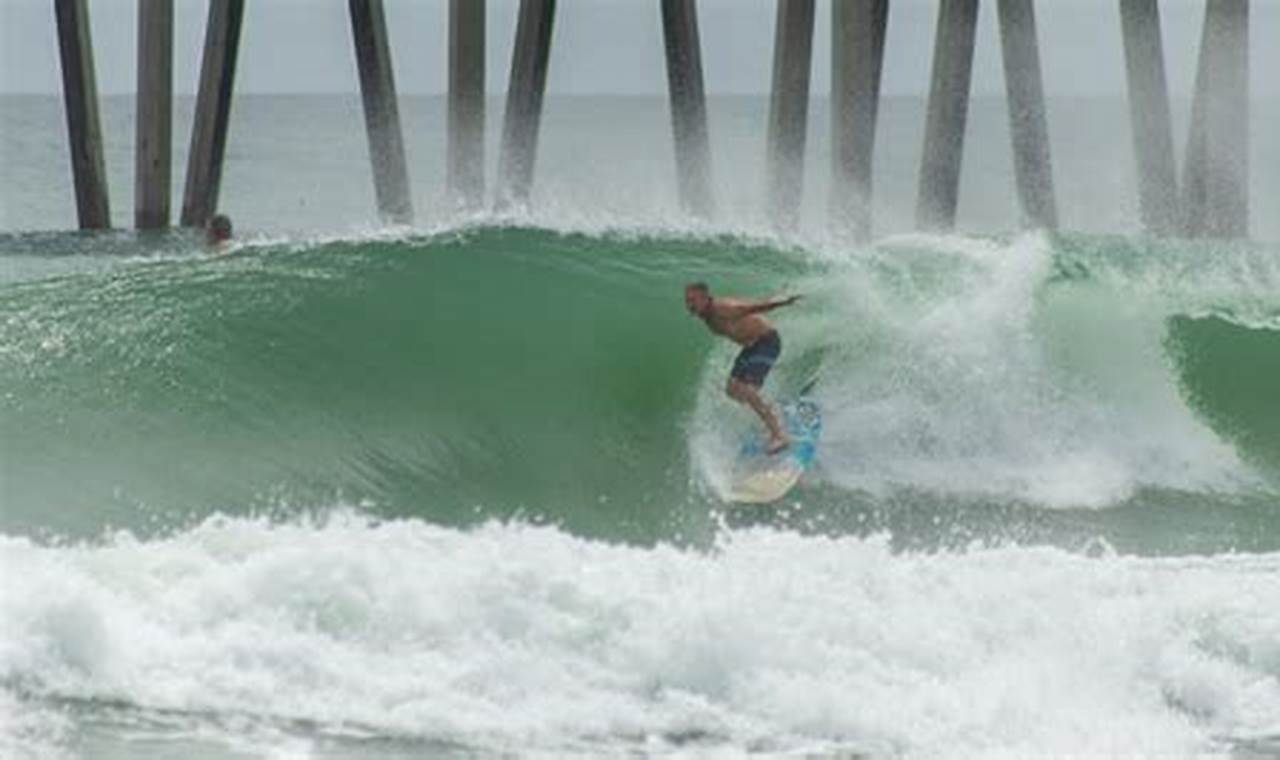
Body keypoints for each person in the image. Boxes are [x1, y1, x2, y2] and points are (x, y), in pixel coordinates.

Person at [685, 282, 800, 454]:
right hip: (751, 347)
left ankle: (780, 435)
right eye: (687, 301)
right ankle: (769, 414)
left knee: (747, 390)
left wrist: (783, 301)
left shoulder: (723, 308)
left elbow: (754, 307)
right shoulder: (707, 316)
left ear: (705, 298)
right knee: (732, 390)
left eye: (692, 300)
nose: (689, 305)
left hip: (767, 342)